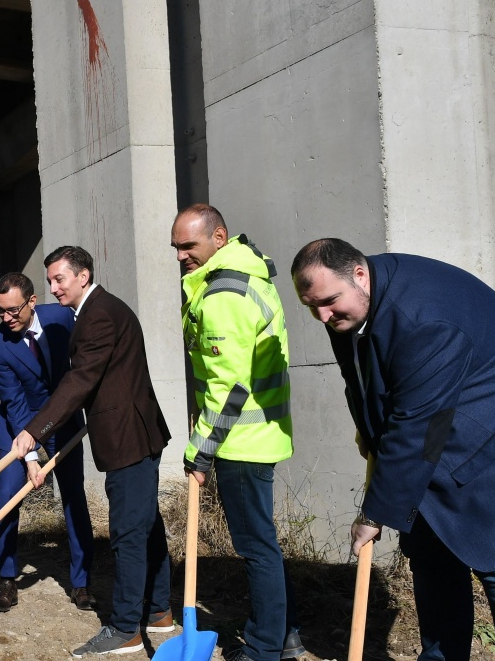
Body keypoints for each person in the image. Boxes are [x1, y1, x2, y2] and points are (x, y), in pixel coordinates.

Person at [290, 238, 495, 661]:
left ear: (359, 274)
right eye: (311, 306)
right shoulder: (352, 301)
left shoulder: (423, 318)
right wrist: (371, 433)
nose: (322, 316)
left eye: (328, 302)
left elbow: (417, 427)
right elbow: (364, 379)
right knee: (430, 549)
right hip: (447, 415)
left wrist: (374, 512)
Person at [11, 246, 173, 657]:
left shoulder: (99, 314)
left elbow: (80, 381)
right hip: (135, 433)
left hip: (127, 437)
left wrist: (33, 430)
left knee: (128, 535)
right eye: (49, 280)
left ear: (83, 276)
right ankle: (158, 613)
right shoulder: (100, 310)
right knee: (146, 526)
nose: (53, 287)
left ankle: (125, 630)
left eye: (59, 279)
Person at [170, 205, 305, 661]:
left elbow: (230, 386)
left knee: (254, 546)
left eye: (190, 246)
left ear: (220, 237)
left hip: (240, 442)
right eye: (177, 248)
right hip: (256, 436)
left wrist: (201, 450)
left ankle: (266, 646)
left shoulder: (224, 294)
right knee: (262, 541)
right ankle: (285, 634)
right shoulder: (244, 279)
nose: (182, 256)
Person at [0, 271, 94, 614]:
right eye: (0, 311)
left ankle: (82, 583)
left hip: (63, 418)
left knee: (74, 496)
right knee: (7, 498)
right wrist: (30, 455)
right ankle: (6, 579)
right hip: (19, 424)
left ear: (32, 302)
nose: (7, 318)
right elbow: (14, 402)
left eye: (13, 310)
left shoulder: (62, 316)